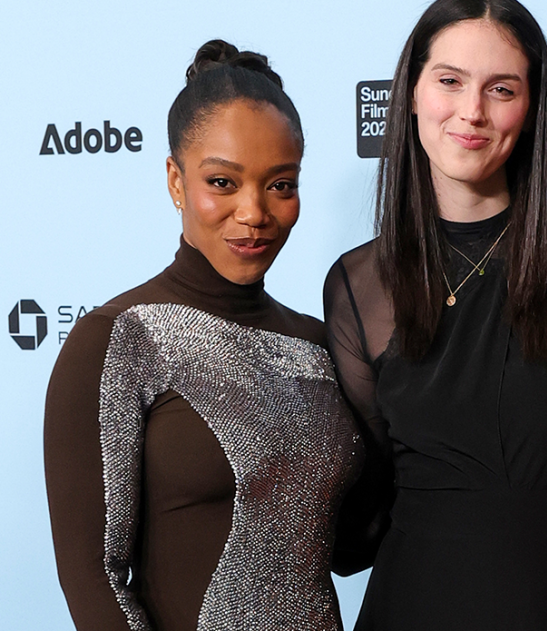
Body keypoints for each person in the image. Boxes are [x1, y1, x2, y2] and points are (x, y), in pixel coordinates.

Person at [323, 0, 547, 631]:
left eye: (501, 88)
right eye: (449, 81)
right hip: (416, 603)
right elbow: (365, 496)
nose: (472, 112)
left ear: (531, 106)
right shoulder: (360, 285)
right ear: (411, 92)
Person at [44, 39, 364, 631]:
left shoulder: (323, 345)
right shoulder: (116, 339)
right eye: (222, 182)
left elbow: (352, 546)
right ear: (175, 180)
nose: (254, 213)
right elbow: (93, 576)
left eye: (281, 184)